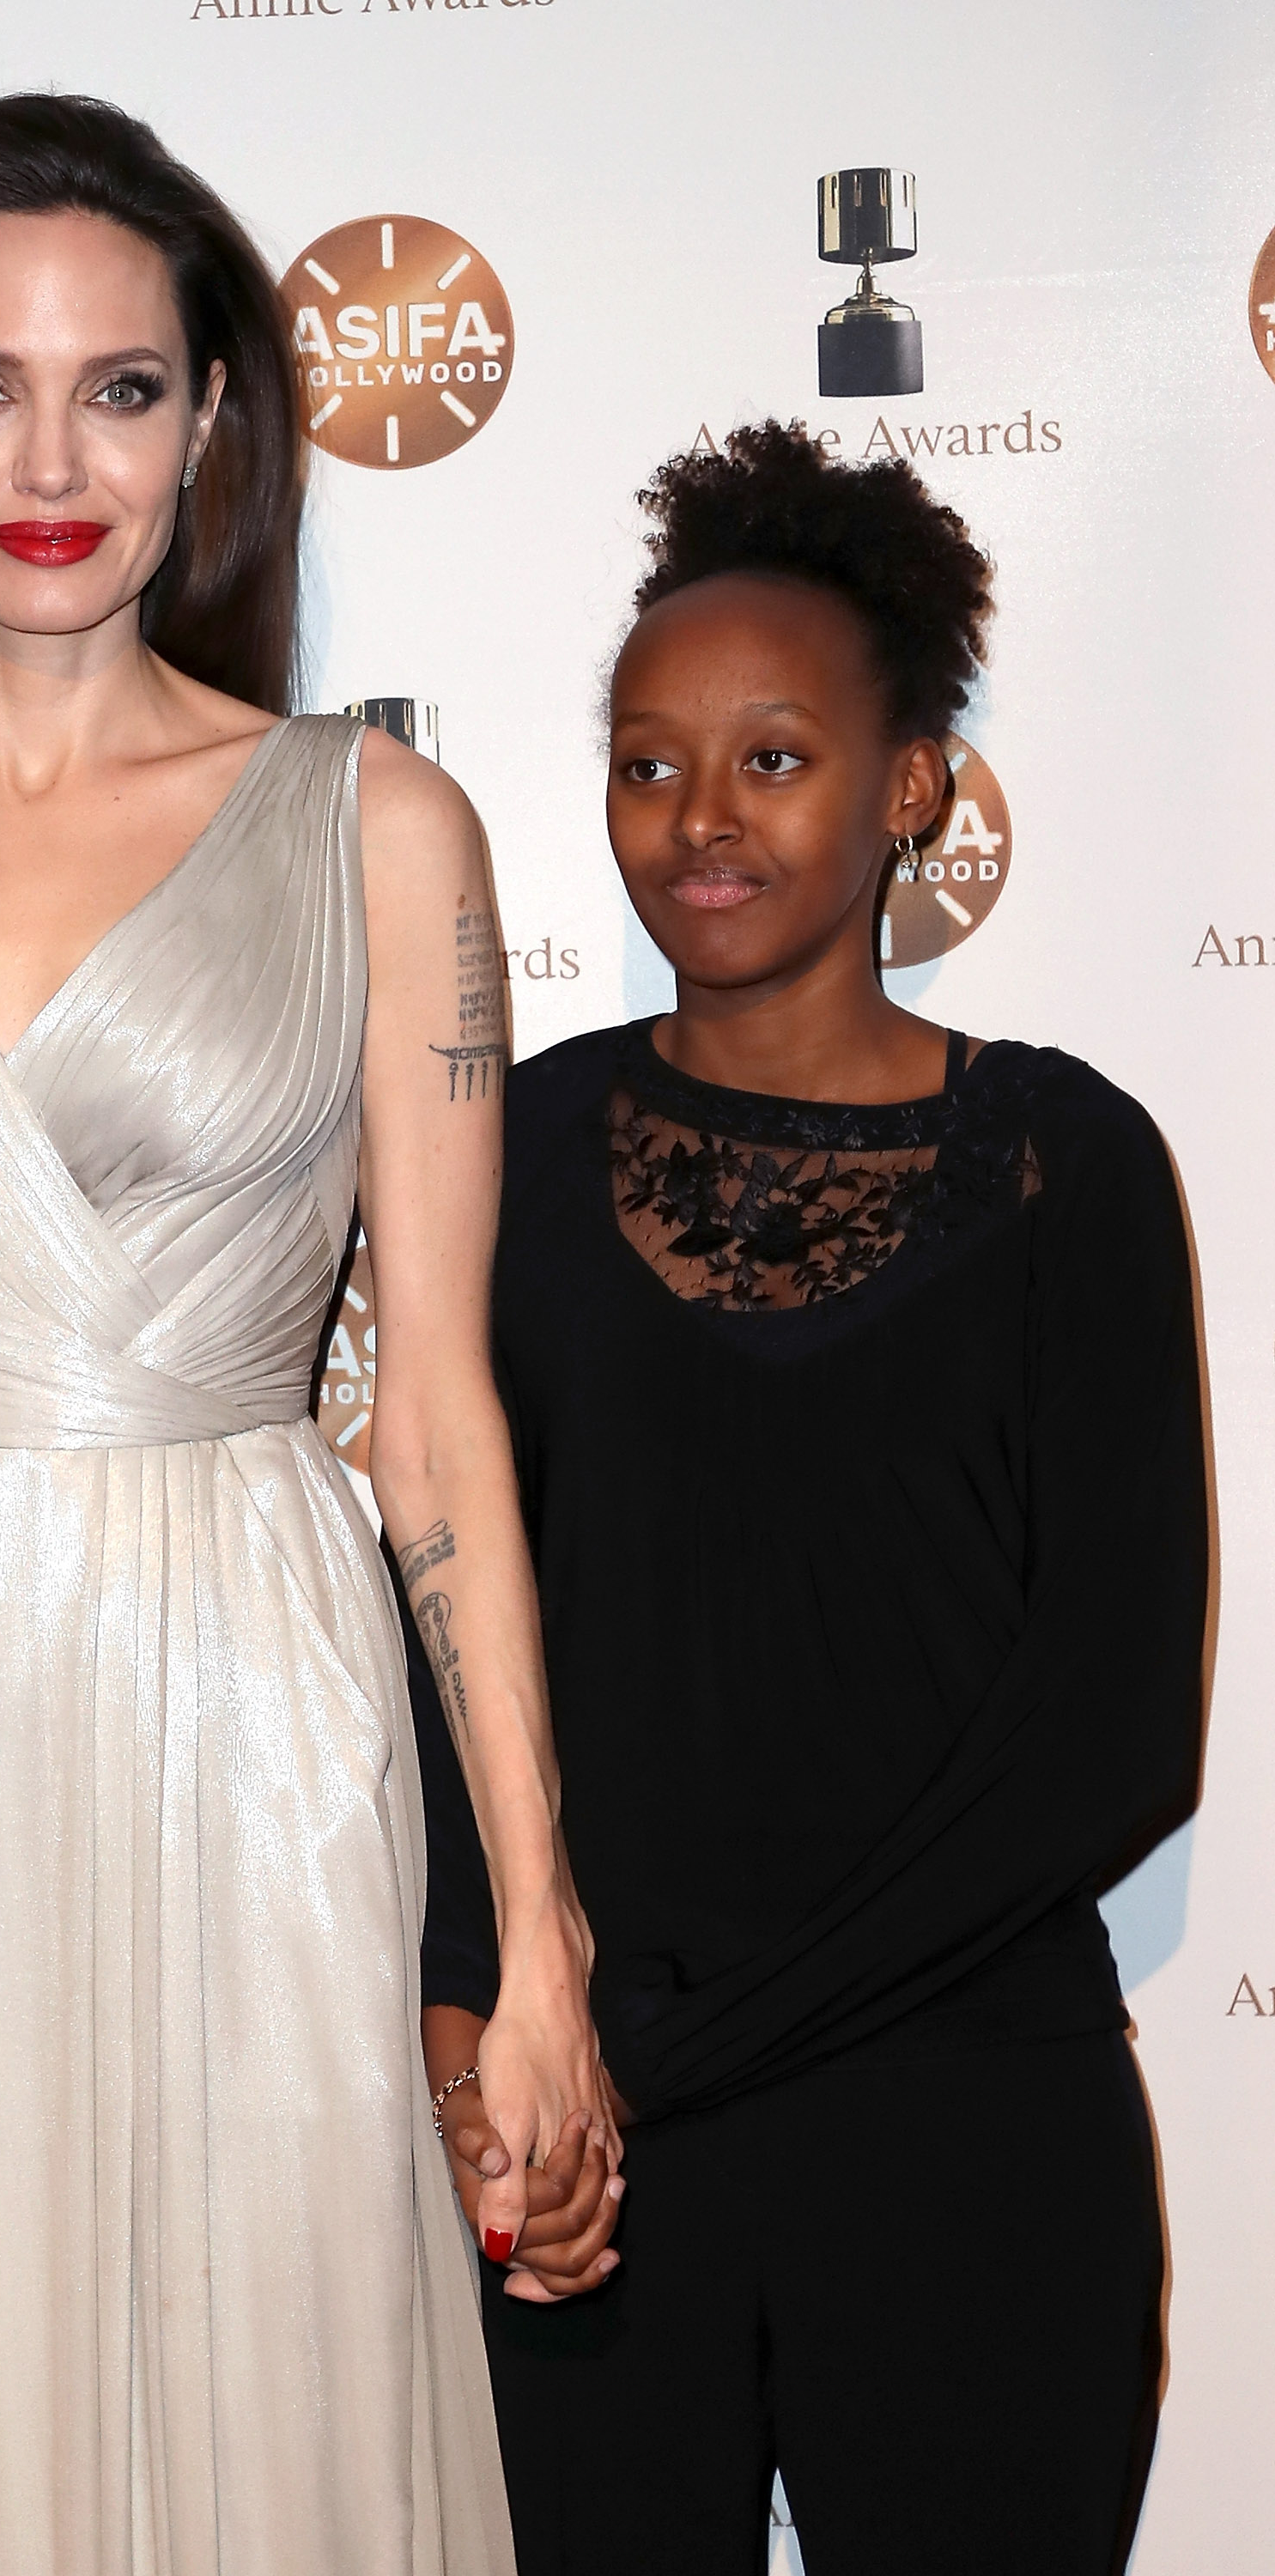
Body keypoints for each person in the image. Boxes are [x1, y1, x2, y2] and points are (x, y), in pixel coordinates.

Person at [0, 94, 608, 2575]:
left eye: (123, 389)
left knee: (268, 2392)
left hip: (241, 1692)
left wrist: (536, 1937)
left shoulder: (378, 830)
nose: (47, 461)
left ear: (211, 427)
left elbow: (440, 1425)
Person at [428, 422, 1208, 2573]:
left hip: (967, 2134)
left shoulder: (1072, 1167)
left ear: (912, 791)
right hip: (586, 2172)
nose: (697, 821)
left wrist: (662, 2063)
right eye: (646, 761)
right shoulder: (513, 1159)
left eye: (772, 759)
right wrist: (474, 2044)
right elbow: (446, 1635)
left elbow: (1112, 1738)